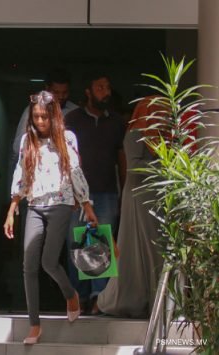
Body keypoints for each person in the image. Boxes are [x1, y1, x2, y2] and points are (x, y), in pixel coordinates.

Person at [4, 91, 97, 344]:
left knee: (48, 262)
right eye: (36, 116)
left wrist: (87, 205)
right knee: (28, 264)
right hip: (34, 203)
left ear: (54, 116)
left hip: (60, 203)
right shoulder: (27, 140)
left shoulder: (67, 138)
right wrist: (13, 208)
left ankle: (70, 294)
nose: (40, 121)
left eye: (45, 116)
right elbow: (21, 172)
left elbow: (75, 170)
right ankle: (34, 324)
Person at [96, 97, 165, 317]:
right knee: (136, 245)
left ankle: (154, 297)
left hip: (151, 195)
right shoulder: (136, 132)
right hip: (139, 194)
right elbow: (136, 165)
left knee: (152, 246)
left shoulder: (156, 133)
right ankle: (104, 298)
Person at [64, 72, 126, 315]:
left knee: (102, 245)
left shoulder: (117, 122)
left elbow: (121, 158)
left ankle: (99, 299)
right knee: (76, 244)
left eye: (107, 87)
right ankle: (77, 297)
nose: (106, 92)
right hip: (76, 196)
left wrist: (124, 187)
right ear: (88, 92)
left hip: (106, 191)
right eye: (99, 87)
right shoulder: (72, 119)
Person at [10, 69, 78, 173]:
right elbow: (18, 149)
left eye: (64, 92)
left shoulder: (75, 112)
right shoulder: (33, 111)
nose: (61, 96)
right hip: (36, 170)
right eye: (56, 92)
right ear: (47, 89)